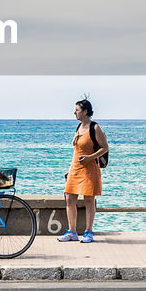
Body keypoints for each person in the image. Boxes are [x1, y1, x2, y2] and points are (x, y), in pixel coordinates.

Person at [59, 98, 107, 243]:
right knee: (69, 198)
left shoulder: (95, 128)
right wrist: (70, 169)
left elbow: (105, 148)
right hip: (76, 167)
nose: (74, 112)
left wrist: (89, 158)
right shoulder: (79, 127)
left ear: (85, 111)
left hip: (90, 167)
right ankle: (72, 232)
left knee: (89, 199)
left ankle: (88, 232)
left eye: (77, 110)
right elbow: (77, 152)